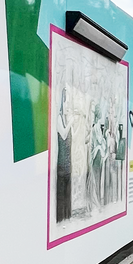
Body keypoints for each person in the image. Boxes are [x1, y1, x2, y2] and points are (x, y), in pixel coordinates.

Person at [55, 84, 72, 222]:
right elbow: (64, 134)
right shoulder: (59, 118)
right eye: (66, 102)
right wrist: (71, 122)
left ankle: (67, 217)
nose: (68, 106)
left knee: (67, 193)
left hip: (68, 163)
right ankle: (61, 218)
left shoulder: (65, 118)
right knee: (61, 193)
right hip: (62, 163)